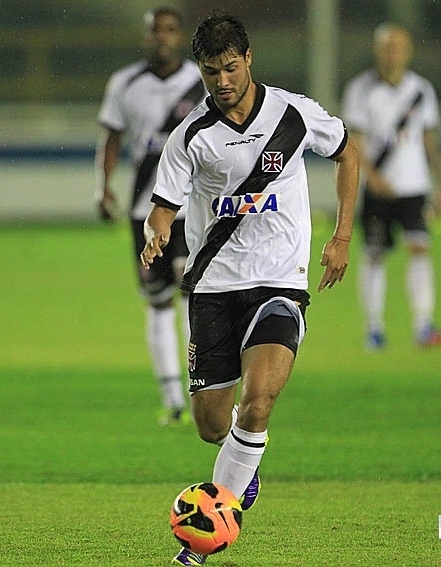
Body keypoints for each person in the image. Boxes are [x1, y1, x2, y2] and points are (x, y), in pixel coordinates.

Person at [139, 11, 359, 566]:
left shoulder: (293, 114)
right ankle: (244, 461)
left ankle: (204, 540)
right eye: (211, 71)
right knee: (214, 425)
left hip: (280, 281)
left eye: (231, 68)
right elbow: (162, 206)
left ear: (249, 60)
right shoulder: (190, 135)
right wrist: (156, 233)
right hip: (213, 285)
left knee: (258, 402)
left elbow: (348, 153)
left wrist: (342, 236)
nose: (223, 81)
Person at [96, 6, 205, 426]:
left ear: (181, 36)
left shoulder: (202, 82)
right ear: (146, 36)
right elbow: (110, 136)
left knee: (194, 295)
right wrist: (102, 188)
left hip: (193, 210)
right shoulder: (125, 83)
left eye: (169, 30)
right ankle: (173, 400)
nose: (162, 37)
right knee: (158, 304)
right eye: (154, 30)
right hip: (145, 213)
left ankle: (204, 392)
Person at [341, 23, 441, 350]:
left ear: (409, 51)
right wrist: (373, 180)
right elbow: (354, 142)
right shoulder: (360, 90)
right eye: (388, 47)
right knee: (374, 255)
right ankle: (373, 327)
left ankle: (423, 324)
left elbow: (429, 140)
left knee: (420, 249)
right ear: (378, 51)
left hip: (414, 186)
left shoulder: (421, 90)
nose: (393, 53)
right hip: (378, 190)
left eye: (399, 47)